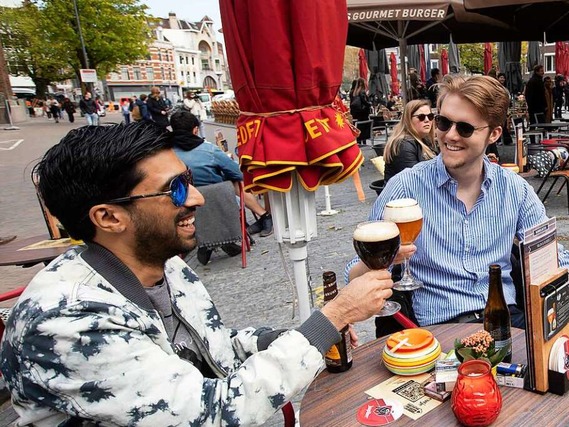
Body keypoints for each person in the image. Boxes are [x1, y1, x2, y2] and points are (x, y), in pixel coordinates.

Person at [0, 122, 394, 426]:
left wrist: (291, 336)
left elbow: (215, 350)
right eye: (174, 189)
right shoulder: (68, 321)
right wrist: (333, 317)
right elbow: (214, 412)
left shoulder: (166, 266)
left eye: (188, 181)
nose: (198, 198)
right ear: (108, 217)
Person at [347, 74, 569, 426]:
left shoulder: (514, 190)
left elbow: (560, 264)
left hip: (511, 327)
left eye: (465, 128)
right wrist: (382, 261)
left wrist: (568, 323)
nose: (450, 135)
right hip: (437, 333)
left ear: (494, 135)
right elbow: (354, 268)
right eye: (442, 122)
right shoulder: (405, 187)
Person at [170, 111, 273, 258]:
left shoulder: (168, 155)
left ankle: (207, 242)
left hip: (186, 207)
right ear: (195, 130)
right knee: (235, 182)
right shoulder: (208, 150)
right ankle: (264, 216)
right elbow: (237, 174)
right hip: (219, 202)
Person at [383, 100, 436, 184]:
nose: (427, 120)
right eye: (421, 117)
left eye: (430, 116)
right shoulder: (403, 145)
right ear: (408, 119)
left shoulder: (425, 139)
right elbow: (416, 181)